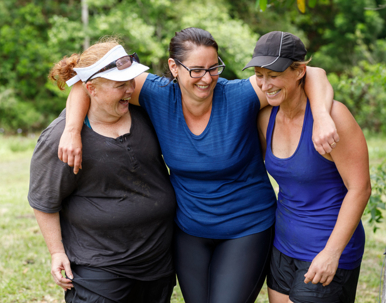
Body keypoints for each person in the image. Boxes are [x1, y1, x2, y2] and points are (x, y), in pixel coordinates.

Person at [57, 28, 339, 303]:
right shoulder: (157, 94)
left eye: (214, 68)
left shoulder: (242, 95)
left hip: (246, 226)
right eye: (197, 70)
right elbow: (87, 82)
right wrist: (71, 130)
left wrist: (323, 116)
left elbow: (312, 73)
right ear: (174, 66)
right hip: (190, 231)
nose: (207, 78)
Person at [28, 38, 177, 303]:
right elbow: (44, 200)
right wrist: (56, 252)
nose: (130, 90)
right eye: (120, 85)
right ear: (91, 90)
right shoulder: (60, 138)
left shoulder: (144, 114)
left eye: (131, 81)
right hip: (99, 267)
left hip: (156, 264)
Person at [247, 31, 371, 303]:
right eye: (259, 74)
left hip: (325, 248)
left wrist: (331, 253)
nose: (265, 85)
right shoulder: (266, 117)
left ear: (299, 71)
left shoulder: (333, 118)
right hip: (283, 246)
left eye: (274, 75)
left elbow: (360, 189)